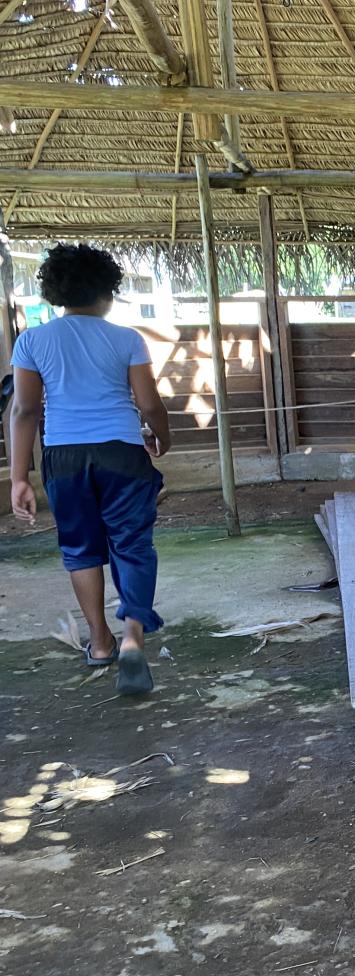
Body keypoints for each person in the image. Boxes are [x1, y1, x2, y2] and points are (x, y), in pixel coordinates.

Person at [7, 243, 171, 696]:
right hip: (121, 453)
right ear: (107, 292)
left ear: (56, 292)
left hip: (63, 457)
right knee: (133, 545)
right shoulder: (126, 339)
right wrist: (163, 436)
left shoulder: (32, 341)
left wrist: (21, 477)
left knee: (81, 550)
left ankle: (100, 642)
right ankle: (133, 637)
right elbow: (149, 404)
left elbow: (23, 411)